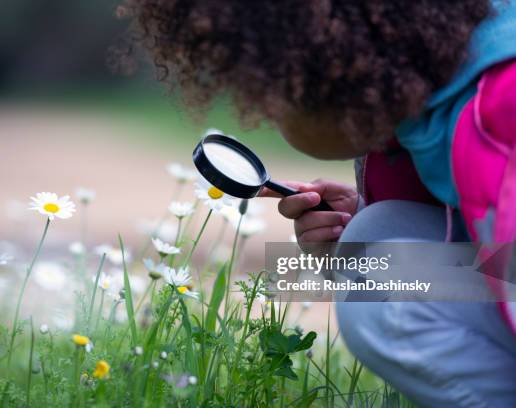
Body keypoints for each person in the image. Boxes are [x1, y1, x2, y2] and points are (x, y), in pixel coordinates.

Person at [124, 1, 516, 406]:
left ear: (326, 67)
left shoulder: (500, 120)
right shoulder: (436, 92)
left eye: (269, 94)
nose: (263, 113)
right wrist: (354, 225)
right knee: (374, 240)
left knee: (373, 276)